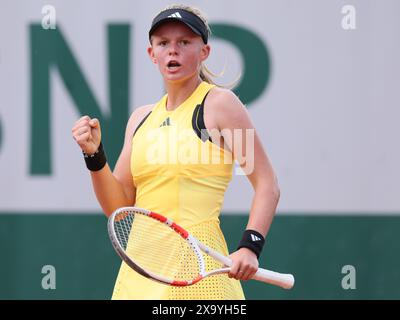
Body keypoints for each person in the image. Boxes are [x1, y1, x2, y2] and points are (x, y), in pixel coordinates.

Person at [71, 4, 280, 300]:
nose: (173, 51)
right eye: (163, 43)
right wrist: (95, 156)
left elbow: (267, 185)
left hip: (199, 280)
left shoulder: (222, 105)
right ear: (151, 53)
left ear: (204, 51)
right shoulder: (140, 119)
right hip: (138, 280)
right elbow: (118, 208)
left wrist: (250, 245)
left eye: (184, 42)